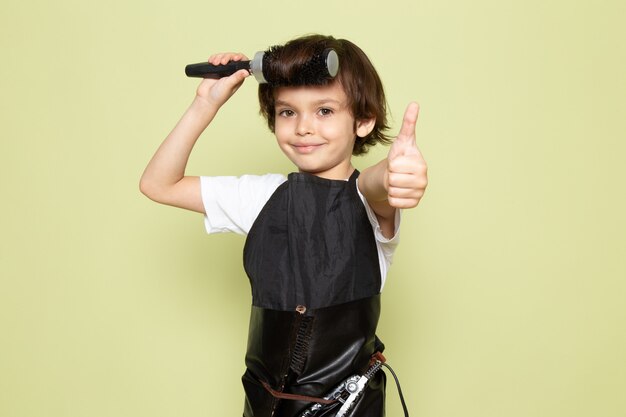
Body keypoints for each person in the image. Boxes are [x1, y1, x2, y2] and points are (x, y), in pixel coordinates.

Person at [140, 34, 427, 417]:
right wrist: (204, 104)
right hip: (263, 406)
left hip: (347, 409)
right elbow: (159, 184)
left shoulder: (368, 199)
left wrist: (396, 173)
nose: (303, 127)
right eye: (287, 112)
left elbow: (375, 182)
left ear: (363, 121)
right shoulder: (260, 197)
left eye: (324, 110)